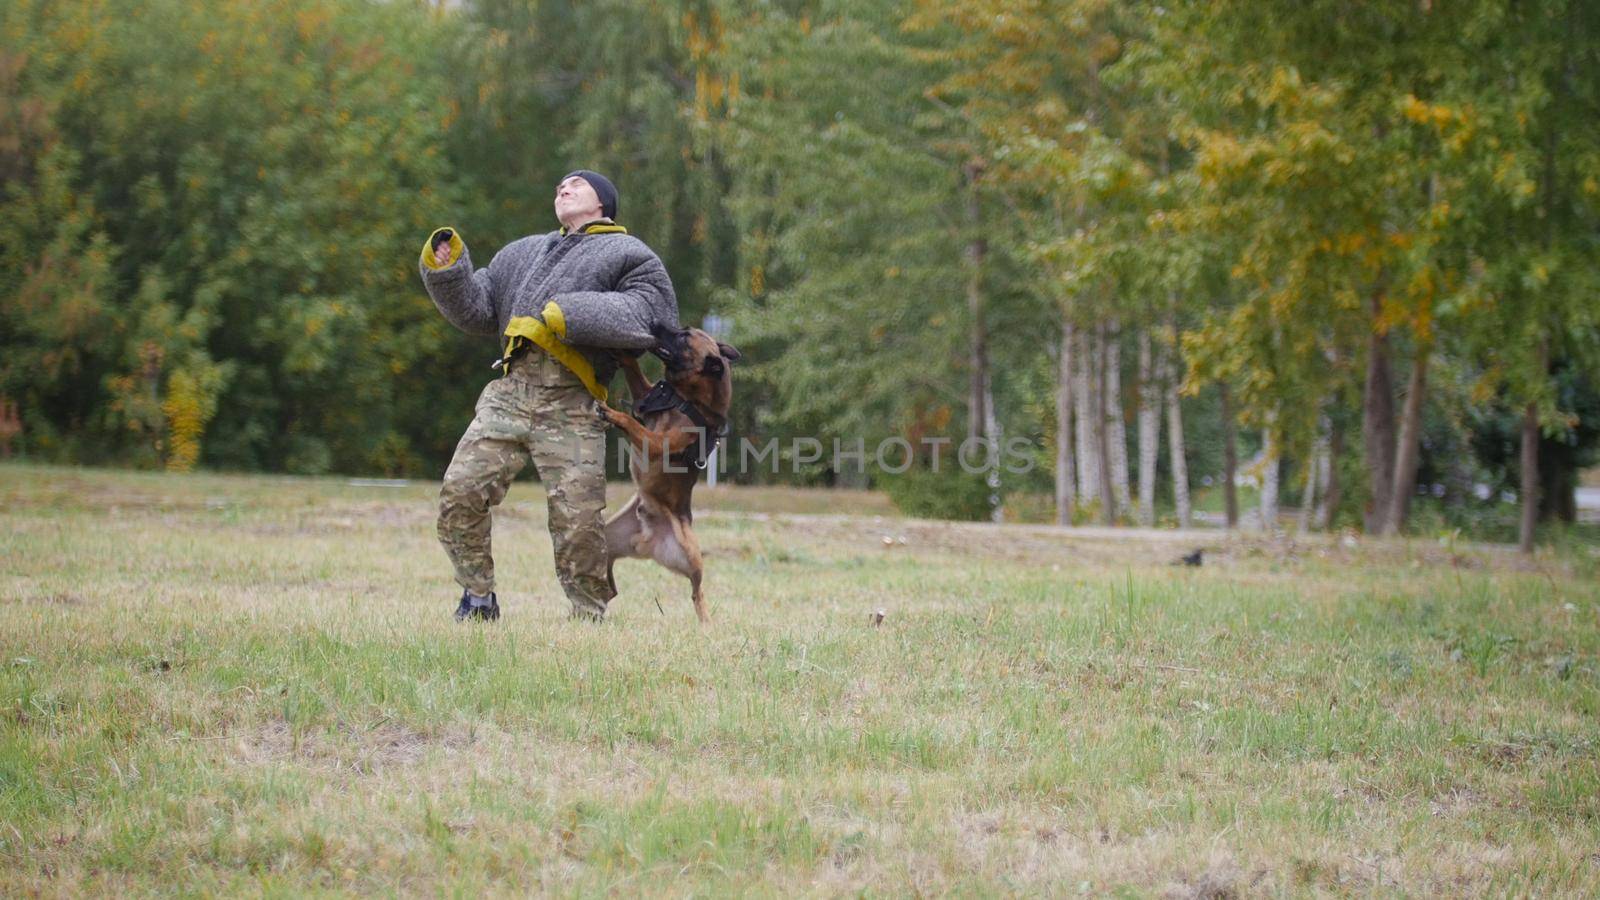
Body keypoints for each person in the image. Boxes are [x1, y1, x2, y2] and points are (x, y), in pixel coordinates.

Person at [418, 170, 679, 622]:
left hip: (575, 402)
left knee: (579, 527)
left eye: (577, 184)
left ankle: (589, 615)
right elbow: (479, 309)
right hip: (509, 393)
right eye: (559, 184)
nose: (563, 188)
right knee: (459, 495)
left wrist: (567, 314)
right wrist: (449, 270)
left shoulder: (630, 253)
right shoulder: (523, 252)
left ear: (603, 204)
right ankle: (478, 598)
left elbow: (651, 316)